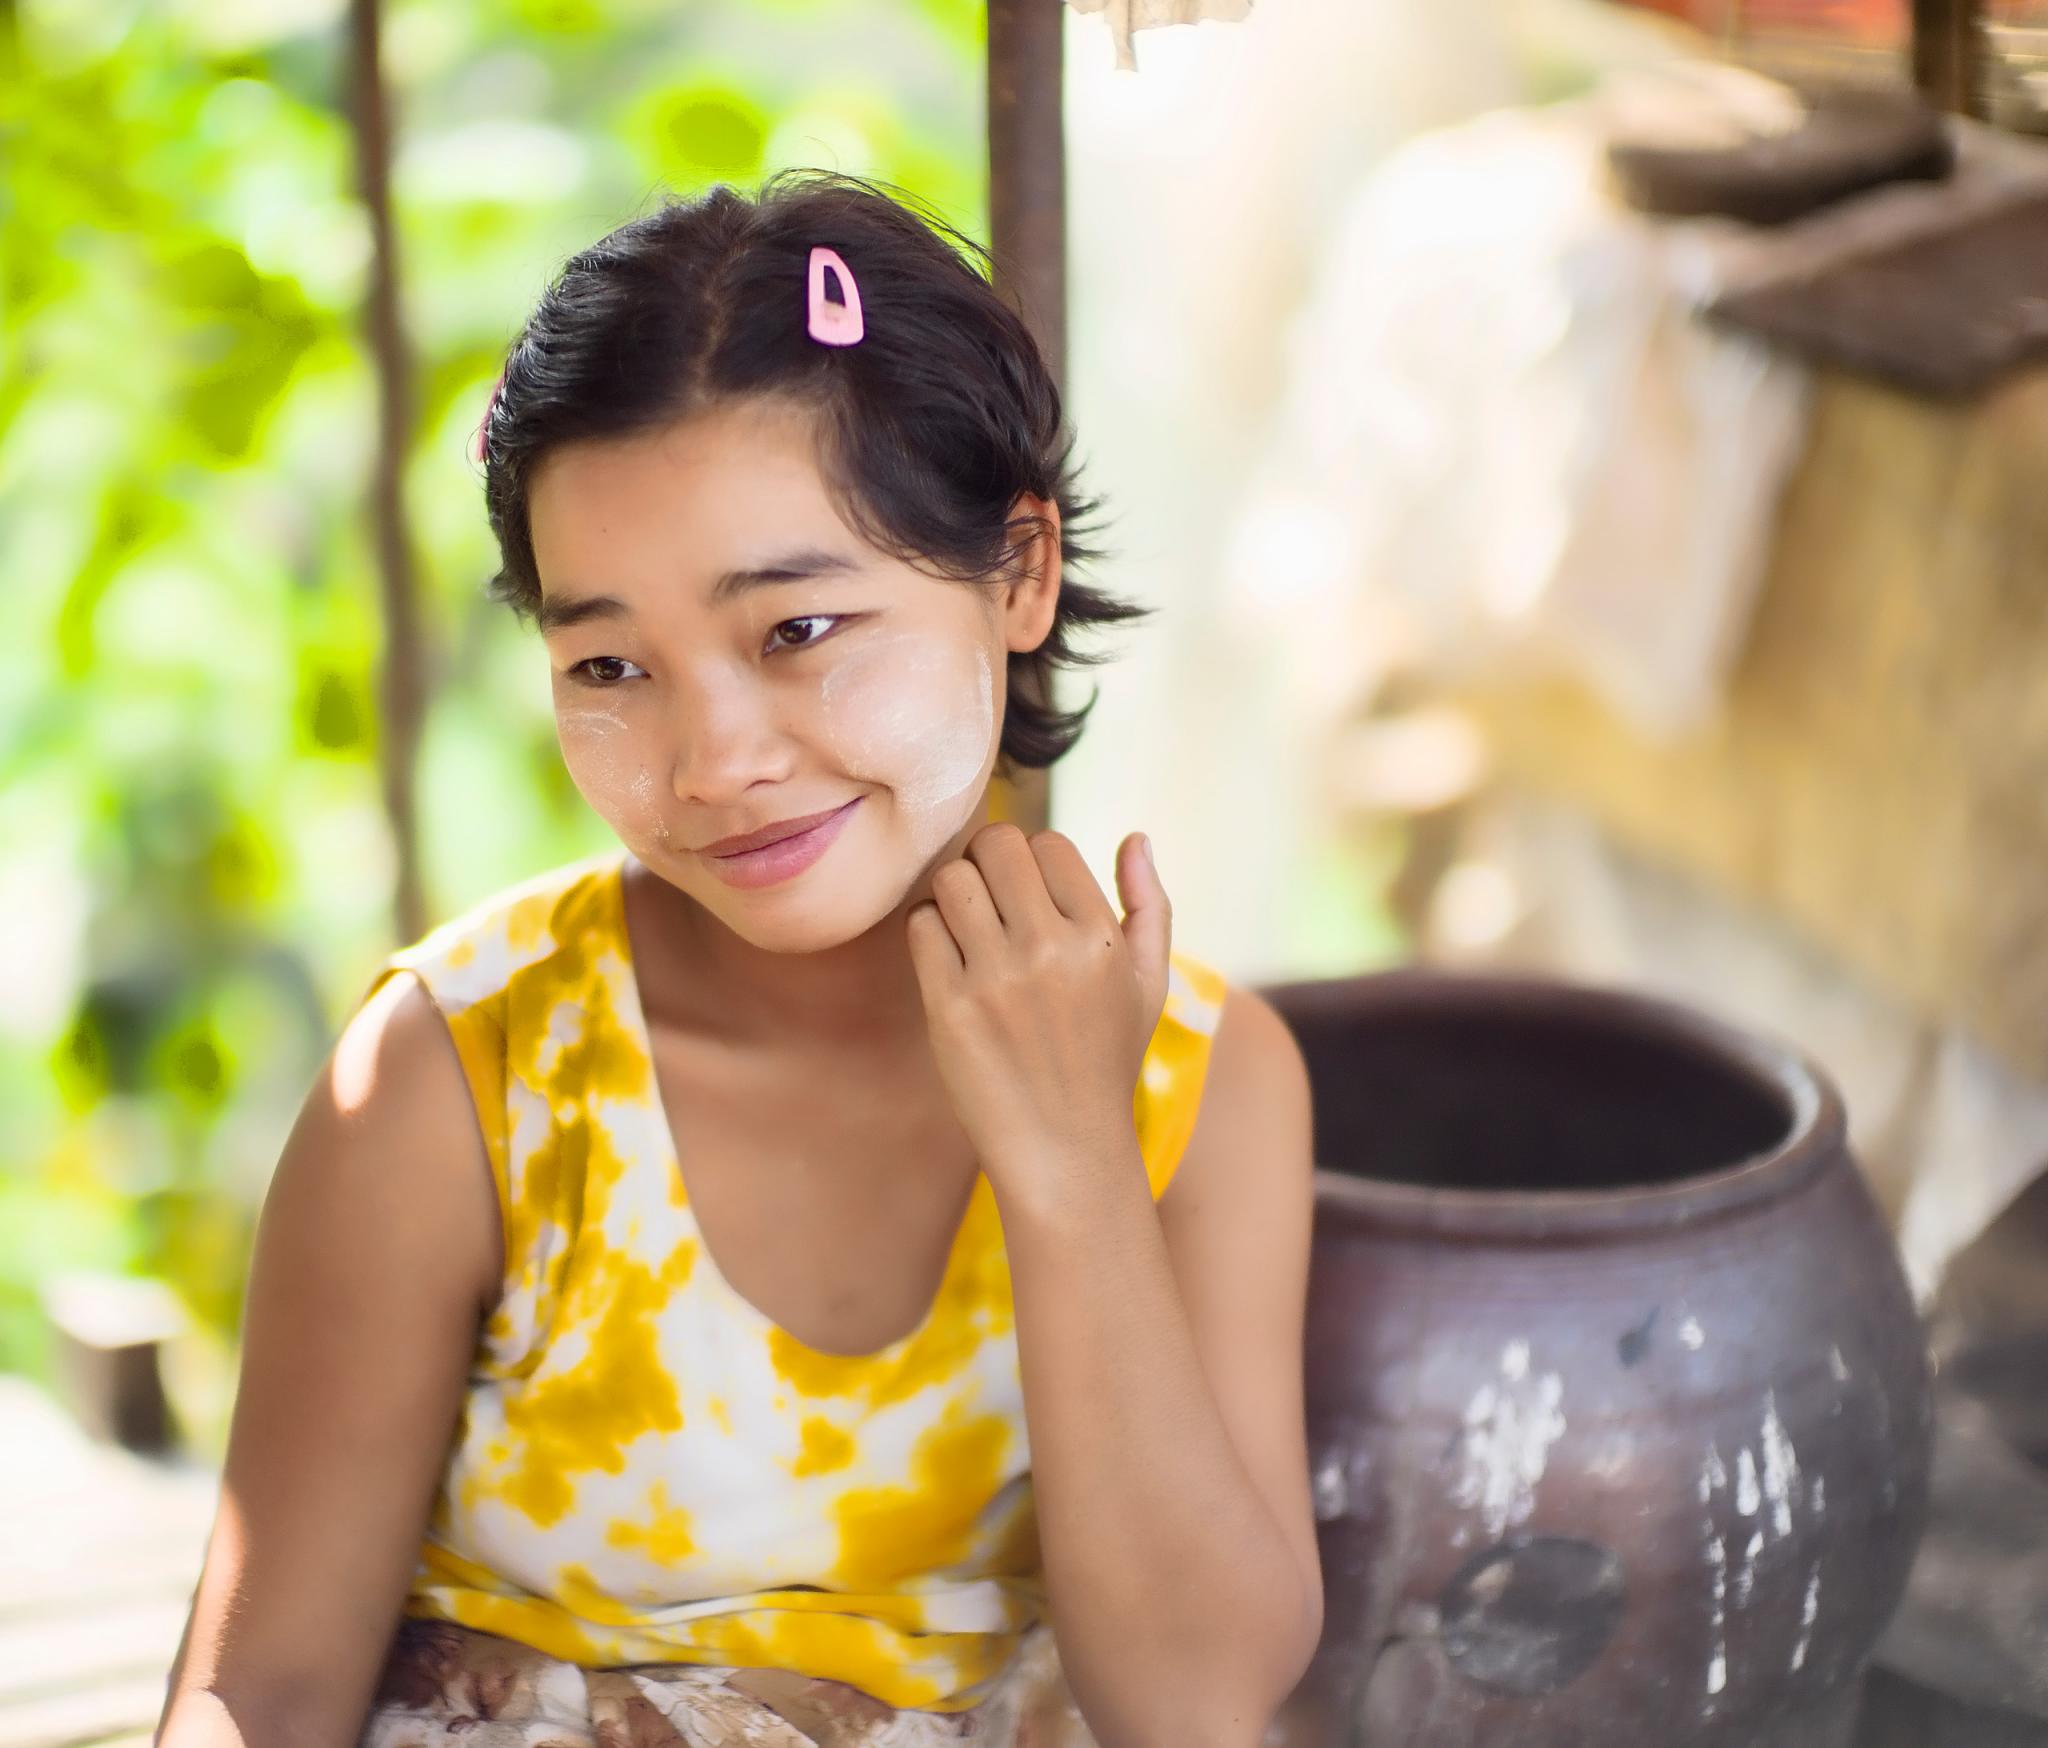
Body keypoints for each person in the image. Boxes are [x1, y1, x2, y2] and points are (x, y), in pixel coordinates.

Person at [154, 169, 1322, 1748]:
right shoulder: (465, 1077)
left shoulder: (1206, 1084)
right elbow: (258, 1692)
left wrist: (1070, 1165)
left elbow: (1194, 1708)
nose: (712, 762)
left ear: (1020, 572)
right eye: (611, 664)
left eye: (798, 632)